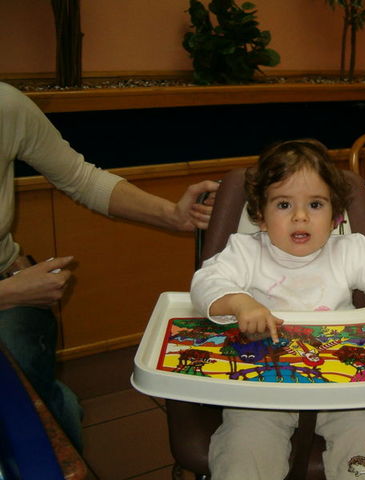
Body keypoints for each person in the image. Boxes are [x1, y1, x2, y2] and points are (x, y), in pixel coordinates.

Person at [190, 139, 365, 480]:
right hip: (261, 387)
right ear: (259, 215)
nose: (300, 216)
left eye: (315, 204)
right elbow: (206, 282)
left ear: (336, 215)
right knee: (244, 452)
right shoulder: (244, 252)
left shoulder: (352, 251)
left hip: (343, 387)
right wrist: (239, 302)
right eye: (284, 204)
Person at [0, 81, 219, 450]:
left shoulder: (5, 105)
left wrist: (173, 215)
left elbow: (81, 177)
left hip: (9, 278)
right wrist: (8, 293)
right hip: (10, 291)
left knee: (28, 401)